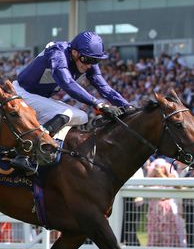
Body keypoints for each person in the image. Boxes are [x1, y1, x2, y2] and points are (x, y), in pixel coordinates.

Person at [10, 31, 132, 171]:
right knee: (65, 112)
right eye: (87, 60)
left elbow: (104, 87)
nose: (90, 65)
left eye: (95, 61)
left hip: (39, 98)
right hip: (21, 94)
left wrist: (127, 106)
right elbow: (66, 83)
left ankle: (50, 148)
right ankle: (26, 154)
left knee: (82, 116)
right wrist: (98, 103)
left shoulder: (87, 59)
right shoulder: (57, 53)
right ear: (74, 52)